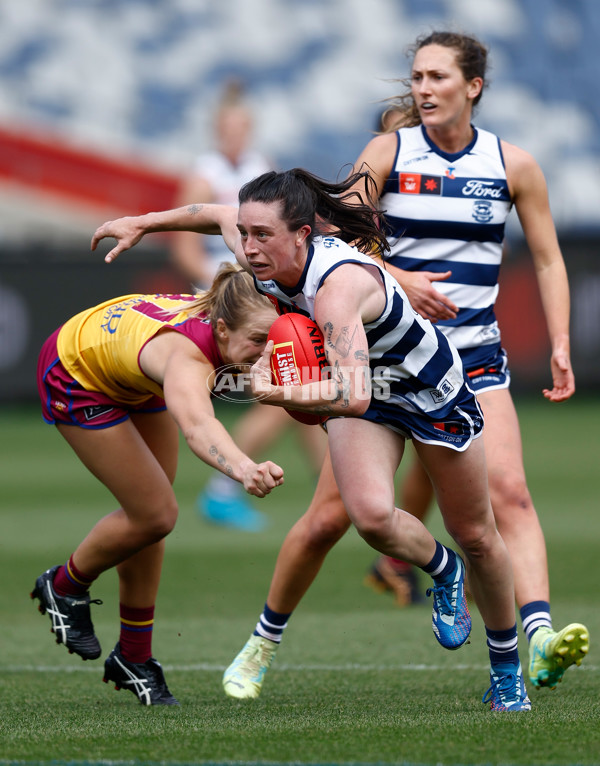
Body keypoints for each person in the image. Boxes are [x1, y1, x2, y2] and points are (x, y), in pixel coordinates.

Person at [92, 169, 531, 711]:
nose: (248, 247)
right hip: (363, 389)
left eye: (262, 235)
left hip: (424, 388)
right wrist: (143, 222)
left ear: (301, 234)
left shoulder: (336, 288)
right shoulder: (262, 251)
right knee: (370, 517)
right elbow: (211, 215)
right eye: (246, 233)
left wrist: (282, 393)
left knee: (479, 533)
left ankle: (507, 670)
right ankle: (444, 568)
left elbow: (352, 396)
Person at [31, 264, 283, 705]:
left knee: (152, 519)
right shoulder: (187, 358)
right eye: (258, 341)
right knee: (156, 514)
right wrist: (244, 468)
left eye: (272, 341)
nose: (265, 354)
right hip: (77, 373)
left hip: (132, 373)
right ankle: (65, 585)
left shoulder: (227, 316)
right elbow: (200, 426)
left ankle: (133, 655)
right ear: (221, 330)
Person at [172, 79, 326, 532]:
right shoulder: (205, 174)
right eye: (229, 128)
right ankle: (223, 492)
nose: (236, 136)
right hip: (232, 300)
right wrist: (223, 290)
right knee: (282, 392)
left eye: (244, 128)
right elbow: (183, 248)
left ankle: (329, 493)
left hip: (265, 292)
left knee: (302, 379)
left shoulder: (263, 170)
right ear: (218, 129)